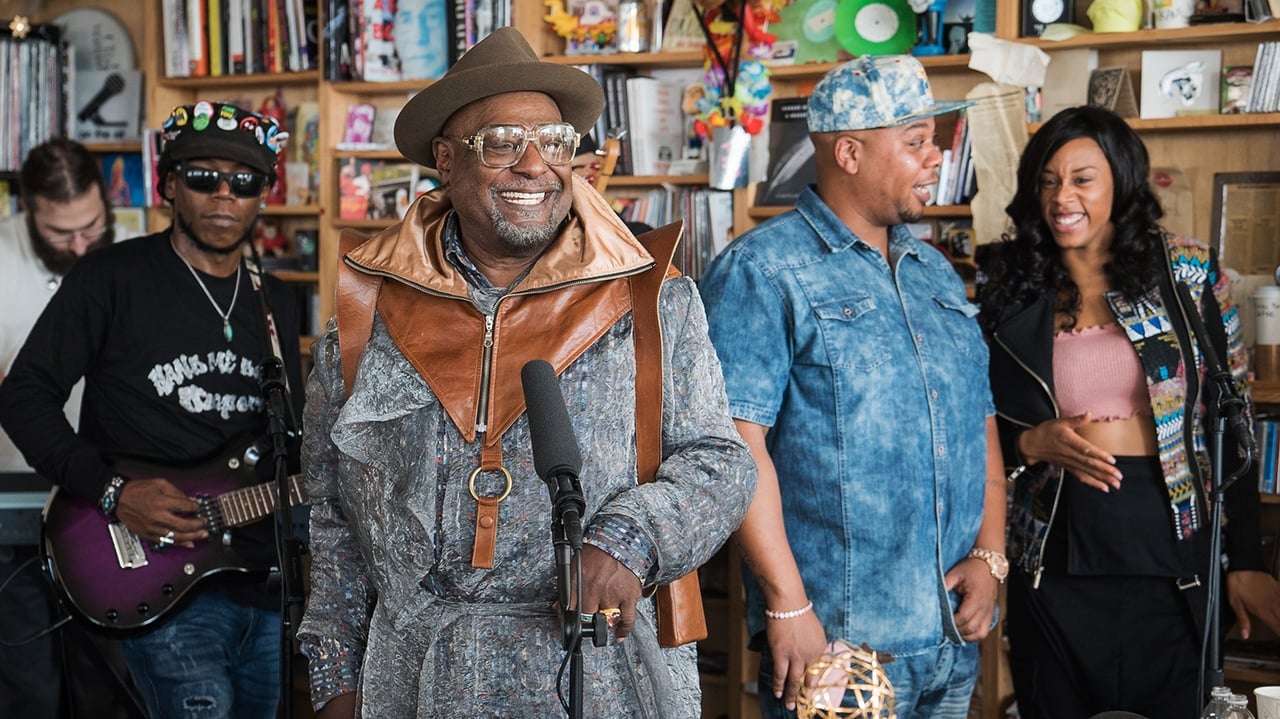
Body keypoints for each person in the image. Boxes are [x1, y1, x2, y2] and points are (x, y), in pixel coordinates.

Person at [296, 27, 756, 718]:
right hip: (417, 675)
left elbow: (720, 462)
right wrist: (334, 681)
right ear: (447, 161)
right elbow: (333, 515)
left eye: (557, 142)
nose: (536, 165)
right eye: (504, 141)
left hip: (597, 671)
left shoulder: (651, 297)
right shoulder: (369, 314)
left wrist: (628, 537)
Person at [699, 55, 1008, 719]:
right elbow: (733, 445)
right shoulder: (761, 271)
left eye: (936, 140)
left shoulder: (934, 272)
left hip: (952, 644)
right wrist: (788, 603)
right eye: (917, 141)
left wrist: (993, 553)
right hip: (841, 653)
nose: (937, 158)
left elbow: (977, 419)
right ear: (849, 151)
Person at [0, 102, 306, 719]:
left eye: (244, 182)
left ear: (263, 197)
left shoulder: (275, 302)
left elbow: (289, 444)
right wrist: (112, 491)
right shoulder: (109, 277)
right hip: (153, 566)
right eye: (202, 177)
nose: (224, 195)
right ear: (169, 185)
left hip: (259, 573)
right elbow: (24, 395)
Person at [977, 105, 1280, 719]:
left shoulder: (1187, 273)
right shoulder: (1012, 282)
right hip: (1053, 538)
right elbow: (975, 416)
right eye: (1049, 179)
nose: (1063, 196)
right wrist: (1027, 444)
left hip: (1169, 534)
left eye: (1083, 178)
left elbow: (1232, 419)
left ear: (1120, 180)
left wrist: (1244, 559)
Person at [0, 138, 130, 718]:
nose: (81, 247)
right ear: (27, 209)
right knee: (31, 688)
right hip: (12, 503)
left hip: (108, 500)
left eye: (92, 227)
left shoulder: (131, 255)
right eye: (60, 235)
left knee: (111, 682)